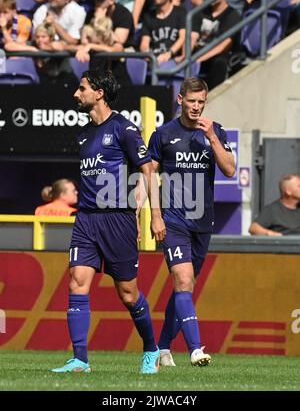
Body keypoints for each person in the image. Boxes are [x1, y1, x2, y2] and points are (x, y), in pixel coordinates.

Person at [51, 69, 166, 374]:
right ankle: (80, 360)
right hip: (87, 219)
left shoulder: (124, 130)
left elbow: (148, 174)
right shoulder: (84, 134)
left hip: (117, 220)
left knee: (128, 294)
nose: (77, 94)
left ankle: (151, 350)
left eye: (82, 88)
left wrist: (153, 216)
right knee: (77, 281)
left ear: (99, 92)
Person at [148, 77, 235, 366]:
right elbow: (149, 176)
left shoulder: (215, 131)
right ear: (181, 100)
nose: (196, 107)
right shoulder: (163, 134)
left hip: (203, 222)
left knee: (184, 286)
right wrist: (155, 216)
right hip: (173, 221)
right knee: (183, 280)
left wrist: (211, 137)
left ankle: (162, 348)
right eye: (192, 101)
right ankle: (196, 349)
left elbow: (230, 170)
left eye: (201, 102)